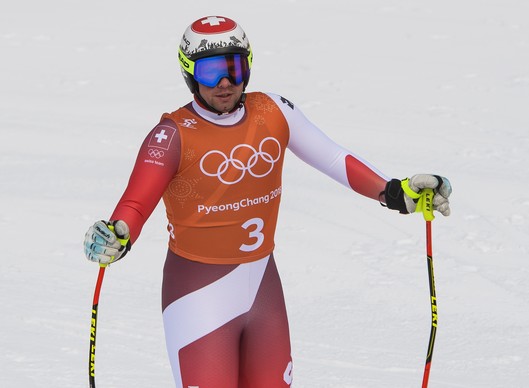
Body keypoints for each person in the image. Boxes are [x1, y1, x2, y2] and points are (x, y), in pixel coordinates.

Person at [83, 15, 452, 388]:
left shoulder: (272, 111)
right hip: (197, 297)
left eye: (235, 67)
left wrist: (393, 192)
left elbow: (332, 158)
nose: (225, 82)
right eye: (211, 72)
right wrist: (118, 234)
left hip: (263, 288)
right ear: (189, 73)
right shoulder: (172, 134)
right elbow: (135, 202)